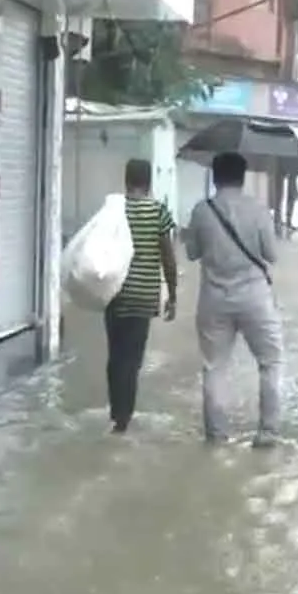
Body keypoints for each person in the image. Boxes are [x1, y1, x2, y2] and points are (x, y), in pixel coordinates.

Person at [184, 153, 283, 447]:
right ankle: (268, 432)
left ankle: (216, 437)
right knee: (271, 362)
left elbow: (191, 253)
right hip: (255, 298)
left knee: (214, 367)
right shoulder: (258, 210)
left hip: (214, 299)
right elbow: (272, 255)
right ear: (243, 177)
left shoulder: (202, 211)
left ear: (215, 177)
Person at [104, 158, 178, 434]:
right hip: (143, 296)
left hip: (114, 293)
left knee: (115, 355)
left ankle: (116, 412)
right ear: (149, 182)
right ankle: (124, 418)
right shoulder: (158, 211)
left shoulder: (114, 210)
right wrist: (172, 295)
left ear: (126, 180)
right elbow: (168, 257)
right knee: (132, 360)